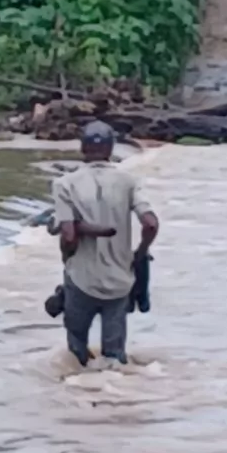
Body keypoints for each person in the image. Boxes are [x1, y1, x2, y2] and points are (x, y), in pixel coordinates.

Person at [52, 120, 159, 366]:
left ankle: (75, 387)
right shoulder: (129, 181)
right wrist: (139, 254)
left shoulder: (64, 184)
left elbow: (69, 235)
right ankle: (115, 388)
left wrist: (68, 259)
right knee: (115, 359)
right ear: (111, 149)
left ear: (82, 147)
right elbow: (151, 224)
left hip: (81, 280)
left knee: (76, 351)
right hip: (120, 282)